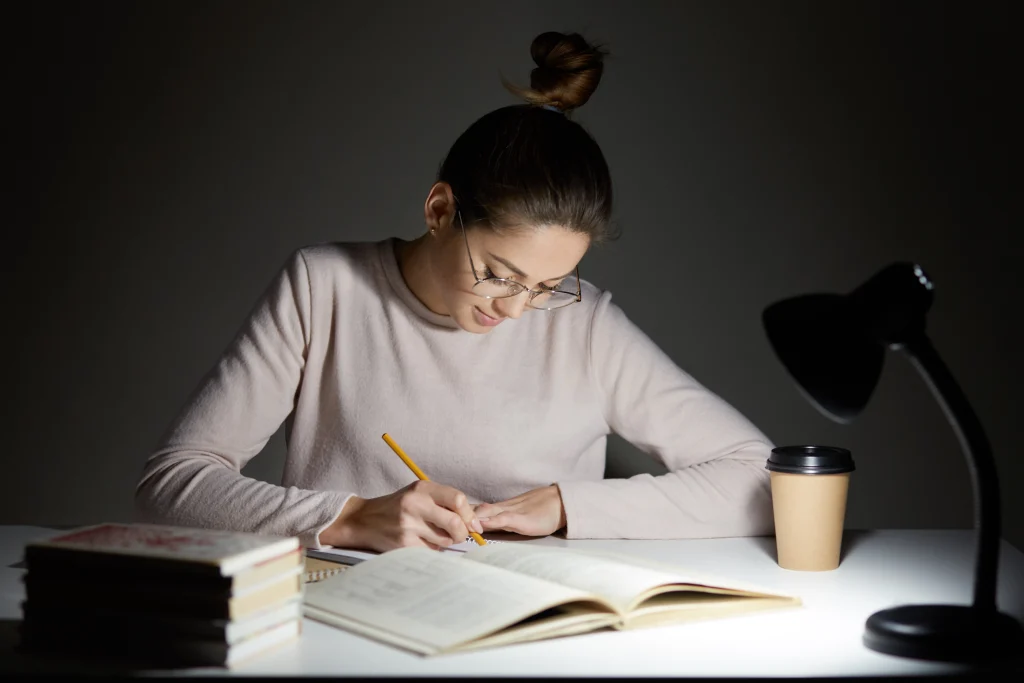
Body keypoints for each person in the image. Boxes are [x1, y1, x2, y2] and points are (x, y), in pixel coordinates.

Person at [135, 31, 775, 552]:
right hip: (346, 618)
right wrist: (351, 518)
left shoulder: (586, 328)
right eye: (500, 273)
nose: (517, 307)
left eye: (549, 286)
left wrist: (567, 505)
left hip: (535, 626)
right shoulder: (323, 287)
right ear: (440, 210)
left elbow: (764, 478)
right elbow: (172, 482)